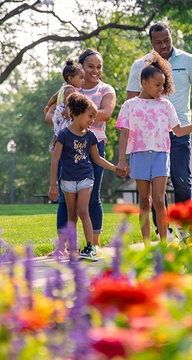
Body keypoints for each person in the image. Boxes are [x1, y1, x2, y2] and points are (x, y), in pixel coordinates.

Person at [126, 23, 192, 219]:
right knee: (156, 186)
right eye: (158, 42)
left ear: (172, 37)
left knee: (181, 180)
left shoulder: (188, 61)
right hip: (149, 136)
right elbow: (131, 100)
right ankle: (163, 229)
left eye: (167, 40)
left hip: (179, 131)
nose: (163, 46)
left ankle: (185, 228)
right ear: (151, 42)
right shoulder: (140, 65)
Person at [117, 54, 192, 244]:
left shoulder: (166, 106)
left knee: (159, 201)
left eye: (163, 84)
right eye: (157, 85)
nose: (161, 89)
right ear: (144, 83)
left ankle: (163, 243)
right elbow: (124, 134)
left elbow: (177, 131)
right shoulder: (130, 105)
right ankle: (146, 245)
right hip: (139, 155)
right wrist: (121, 160)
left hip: (161, 155)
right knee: (145, 201)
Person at [55, 48, 117, 254]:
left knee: (92, 198)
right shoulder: (72, 88)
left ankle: (95, 243)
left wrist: (80, 112)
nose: (95, 70)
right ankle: (62, 246)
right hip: (69, 145)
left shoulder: (106, 89)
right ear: (81, 67)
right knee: (66, 199)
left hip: (94, 143)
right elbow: (52, 112)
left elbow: (106, 114)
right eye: (90, 66)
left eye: (99, 67)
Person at [48, 93, 121, 261]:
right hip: (67, 179)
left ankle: (90, 247)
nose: (92, 120)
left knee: (83, 210)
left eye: (94, 117)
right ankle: (73, 249)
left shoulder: (90, 135)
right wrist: (53, 184)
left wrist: (115, 168)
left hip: (86, 177)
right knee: (71, 214)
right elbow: (55, 159)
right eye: (90, 116)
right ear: (79, 113)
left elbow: (97, 159)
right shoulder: (64, 135)